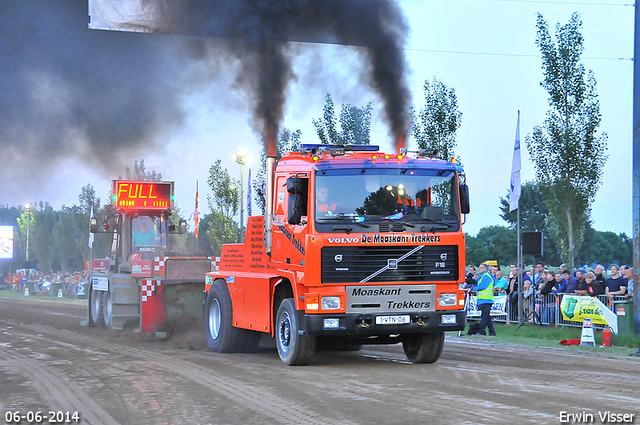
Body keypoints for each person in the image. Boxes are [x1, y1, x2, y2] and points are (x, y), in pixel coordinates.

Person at [472, 263, 495, 336]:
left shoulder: (486, 277)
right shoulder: (481, 277)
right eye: (479, 267)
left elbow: (482, 286)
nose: (479, 269)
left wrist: (473, 289)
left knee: (484, 317)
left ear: (485, 269)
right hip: (483, 300)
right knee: (487, 317)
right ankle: (492, 332)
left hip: (486, 300)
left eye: (481, 267)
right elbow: (475, 283)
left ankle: (482, 332)